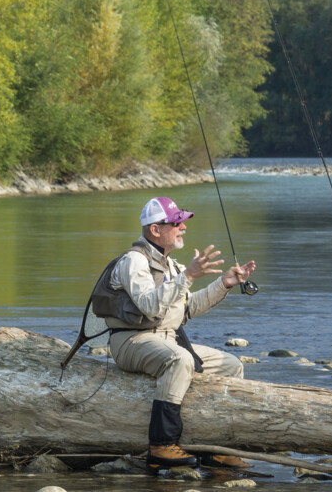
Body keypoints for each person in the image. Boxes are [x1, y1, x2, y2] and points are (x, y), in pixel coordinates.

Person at [100, 196, 257, 470]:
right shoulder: (133, 261)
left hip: (165, 339)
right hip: (130, 341)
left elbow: (188, 309)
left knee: (231, 365)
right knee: (180, 359)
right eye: (176, 223)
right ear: (155, 229)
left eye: (182, 222)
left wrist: (224, 283)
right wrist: (189, 277)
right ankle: (161, 444)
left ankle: (217, 448)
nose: (183, 227)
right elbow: (149, 306)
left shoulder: (172, 266)